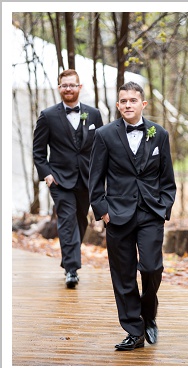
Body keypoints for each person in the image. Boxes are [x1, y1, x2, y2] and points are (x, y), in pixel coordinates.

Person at [89, 81, 176, 351]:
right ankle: (134, 331)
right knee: (123, 275)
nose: (128, 105)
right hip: (117, 215)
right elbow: (95, 180)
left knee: (151, 268)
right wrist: (103, 212)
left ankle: (148, 314)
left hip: (151, 212)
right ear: (118, 105)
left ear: (143, 104)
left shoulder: (159, 134)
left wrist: (164, 207)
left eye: (133, 100)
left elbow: (168, 178)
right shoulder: (104, 135)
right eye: (123, 101)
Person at [32, 69, 104, 288]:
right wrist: (47, 175)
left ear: (79, 87)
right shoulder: (48, 115)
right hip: (60, 180)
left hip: (86, 178)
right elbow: (38, 151)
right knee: (66, 220)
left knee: (81, 220)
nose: (69, 89)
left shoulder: (93, 114)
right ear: (59, 88)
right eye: (65, 85)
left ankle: (69, 259)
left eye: (73, 85)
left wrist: (100, 175)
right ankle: (72, 269)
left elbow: (101, 148)